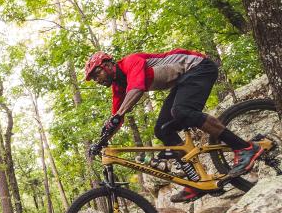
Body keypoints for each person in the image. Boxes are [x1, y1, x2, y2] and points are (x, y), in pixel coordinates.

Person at [84, 49, 264, 202]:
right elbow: (116, 118)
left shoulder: (131, 62)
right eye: (93, 78)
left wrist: (119, 115)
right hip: (183, 81)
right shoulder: (118, 87)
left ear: (107, 65)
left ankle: (245, 147)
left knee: (182, 111)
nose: (97, 80)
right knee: (162, 129)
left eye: (96, 73)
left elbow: (137, 89)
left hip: (199, 67)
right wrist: (102, 140)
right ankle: (195, 182)